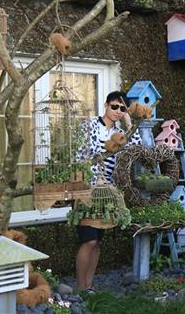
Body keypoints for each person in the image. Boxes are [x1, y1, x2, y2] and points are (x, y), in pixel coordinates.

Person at [74, 91, 142, 293]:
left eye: (122, 109)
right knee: (89, 240)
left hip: (107, 193)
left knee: (97, 242)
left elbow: (137, 149)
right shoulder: (90, 126)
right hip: (88, 190)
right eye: (115, 106)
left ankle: (89, 286)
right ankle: (80, 288)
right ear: (105, 105)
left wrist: (129, 122)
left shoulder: (121, 133)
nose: (118, 111)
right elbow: (79, 155)